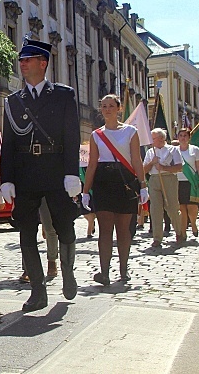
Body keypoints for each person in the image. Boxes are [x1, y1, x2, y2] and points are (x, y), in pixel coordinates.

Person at [0, 37, 81, 312]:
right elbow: (8, 143)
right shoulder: (13, 101)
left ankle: (68, 270)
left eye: (27, 60)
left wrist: (72, 173)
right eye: (21, 60)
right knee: (26, 230)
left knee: (64, 226)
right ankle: (37, 289)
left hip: (55, 168)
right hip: (25, 171)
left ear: (42, 63)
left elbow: (71, 136)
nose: (22, 64)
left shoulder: (63, 94)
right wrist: (6, 178)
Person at [82, 95, 148, 285]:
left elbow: (136, 159)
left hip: (125, 181)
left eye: (111, 106)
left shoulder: (130, 131)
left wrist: (143, 185)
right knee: (105, 229)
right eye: (104, 106)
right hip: (103, 181)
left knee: (124, 230)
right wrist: (86, 191)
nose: (107, 109)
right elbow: (92, 163)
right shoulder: (96, 135)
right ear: (100, 110)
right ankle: (104, 272)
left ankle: (123, 270)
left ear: (119, 108)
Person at [143, 128, 183, 247]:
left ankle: (179, 232)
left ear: (161, 138)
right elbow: (144, 169)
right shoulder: (150, 152)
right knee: (155, 209)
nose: (151, 141)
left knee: (172, 207)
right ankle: (157, 237)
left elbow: (179, 167)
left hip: (169, 178)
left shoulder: (173, 150)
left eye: (153, 138)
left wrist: (164, 168)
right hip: (154, 179)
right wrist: (152, 163)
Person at [175, 128, 199, 238]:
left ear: (189, 137)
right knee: (181, 208)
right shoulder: (174, 150)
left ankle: (193, 224)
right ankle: (182, 232)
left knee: (192, 206)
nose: (183, 138)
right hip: (178, 182)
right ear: (177, 138)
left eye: (185, 135)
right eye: (181, 135)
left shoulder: (195, 150)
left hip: (191, 181)